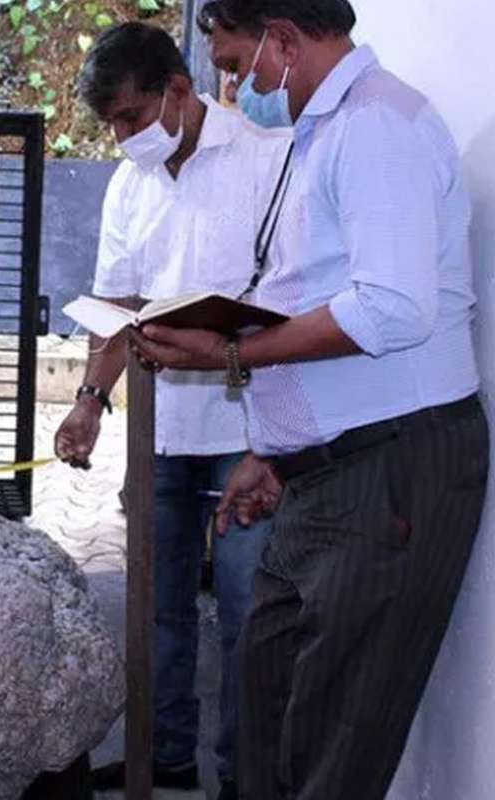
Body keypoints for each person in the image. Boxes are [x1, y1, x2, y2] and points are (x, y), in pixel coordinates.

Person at [136, 2, 489, 798]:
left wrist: (231, 349)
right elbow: (320, 290)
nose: (234, 86)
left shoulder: (376, 126)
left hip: (389, 471)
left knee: (332, 749)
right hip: (326, 474)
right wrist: (274, 450)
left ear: (284, 40)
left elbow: (391, 308)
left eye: (235, 64)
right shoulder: (323, 129)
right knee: (271, 719)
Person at [55, 23, 290, 800]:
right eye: (111, 125)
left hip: (246, 432)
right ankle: (167, 755)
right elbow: (118, 305)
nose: (123, 138)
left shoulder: (266, 162)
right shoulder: (131, 182)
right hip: (160, 431)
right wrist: (90, 402)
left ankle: (240, 777)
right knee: (155, 610)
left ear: (179, 90)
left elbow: (291, 301)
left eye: (130, 116)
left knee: (246, 610)